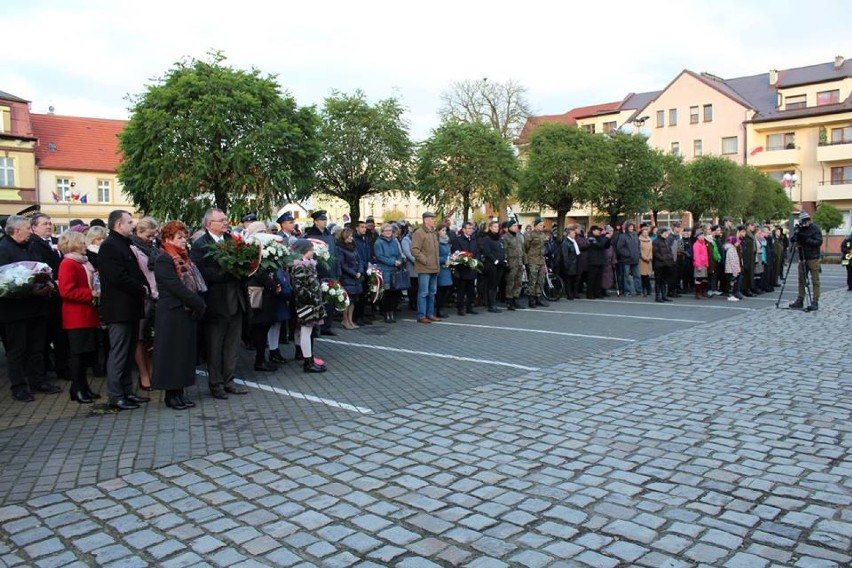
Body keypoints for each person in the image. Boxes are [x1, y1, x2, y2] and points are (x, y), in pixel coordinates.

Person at [190, 208, 250, 399]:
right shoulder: (200, 245)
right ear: (209, 224)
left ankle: (229, 380)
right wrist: (227, 271)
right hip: (216, 304)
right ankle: (215, 384)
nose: (226, 222)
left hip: (236, 301)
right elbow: (201, 274)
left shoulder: (232, 240)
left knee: (232, 346)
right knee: (215, 347)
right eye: (221, 220)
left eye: (225, 219)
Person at [0, 215, 60, 402]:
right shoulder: (3, 249)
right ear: (16, 230)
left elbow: (41, 268)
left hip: (37, 307)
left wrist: (47, 283)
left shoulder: (32, 246)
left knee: (36, 347)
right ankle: (19, 387)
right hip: (15, 311)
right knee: (17, 350)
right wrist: (30, 289)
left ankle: (38, 381)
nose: (30, 231)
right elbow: (4, 282)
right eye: (27, 228)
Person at [98, 210, 151, 410]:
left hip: (130, 307)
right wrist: (142, 289)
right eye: (129, 222)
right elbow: (117, 277)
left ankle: (127, 391)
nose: (133, 225)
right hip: (118, 309)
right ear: (119, 225)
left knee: (128, 352)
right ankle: (116, 395)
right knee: (119, 352)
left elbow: (135, 272)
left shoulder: (124, 244)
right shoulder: (110, 246)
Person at [151, 221, 207, 410]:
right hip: (172, 312)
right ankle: (171, 395)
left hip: (185, 311)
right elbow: (174, 286)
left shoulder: (184, 257)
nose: (184, 241)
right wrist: (197, 302)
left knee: (183, 354)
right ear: (168, 239)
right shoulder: (164, 259)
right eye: (179, 237)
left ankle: (180, 392)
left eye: (185, 237)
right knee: (171, 355)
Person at [57, 230, 101, 404]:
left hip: (86, 313)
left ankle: (81, 387)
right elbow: (67, 291)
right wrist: (91, 293)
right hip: (76, 315)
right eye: (82, 242)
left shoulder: (83, 262)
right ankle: (78, 388)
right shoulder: (68, 264)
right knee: (78, 355)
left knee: (84, 354)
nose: (85, 245)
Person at [29, 213, 70, 383]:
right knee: (43, 338)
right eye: (45, 224)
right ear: (34, 227)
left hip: (57, 297)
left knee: (60, 334)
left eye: (50, 223)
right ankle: (44, 371)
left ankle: (62, 368)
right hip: (44, 297)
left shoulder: (54, 242)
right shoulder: (33, 244)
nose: (48, 226)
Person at [244, 222, 283, 371]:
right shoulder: (253, 249)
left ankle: (261, 359)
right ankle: (259, 361)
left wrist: (276, 283)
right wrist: (274, 285)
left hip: (266, 293)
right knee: (260, 328)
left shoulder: (263, 248)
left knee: (264, 327)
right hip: (259, 293)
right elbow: (259, 271)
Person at [130, 217, 160, 391]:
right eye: (149, 235)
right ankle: (143, 374)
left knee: (152, 337)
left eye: (154, 235)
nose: (151, 239)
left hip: (157, 296)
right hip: (143, 297)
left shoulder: (153, 249)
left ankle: (152, 370)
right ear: (139, 232)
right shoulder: (133, 249)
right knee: (139, 337)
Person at [290, 239, 327, 372]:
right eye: (311, 250)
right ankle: (307, 362)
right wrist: (313, 298)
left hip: (312, 304)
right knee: (305, 332)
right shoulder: (299, 266)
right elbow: (299, 288)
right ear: (304, 251)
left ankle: (309, 359)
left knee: (308, 331)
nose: (313, 252)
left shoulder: (309, 265)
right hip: (306, 305)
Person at [303, 210, 340, 336]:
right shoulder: (309, 236)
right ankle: (315, 328)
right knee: (317, 300)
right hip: (317, 273)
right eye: (322, 220)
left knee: (330, 300)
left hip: (330, 273)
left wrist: (337, 271)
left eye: (325, 220)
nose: (324, 222)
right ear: (315, 221)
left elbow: (335, 254)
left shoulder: (329, 236)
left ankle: (326, 326)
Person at [788, 211, 823, 311]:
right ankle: (800, 299)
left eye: (807, 221)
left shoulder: (815, 228)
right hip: (802, 257)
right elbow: (793, 240)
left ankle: (815, 301)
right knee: (801, 279)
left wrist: (807, 240)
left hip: (813, 257)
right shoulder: (799, 229)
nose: (805, 223)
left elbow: (818, 242)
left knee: (815, 280)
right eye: (803, 221)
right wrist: (796, 236)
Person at [411, 211, 440, 323]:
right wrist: (425, 260)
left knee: (432, 292)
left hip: (434, 268)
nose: (434, 221)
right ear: (426, 220)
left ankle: (430, 313)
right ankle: (421, 315)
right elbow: (414, 250)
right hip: (424, 268)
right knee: (423, 292)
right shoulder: (419, 233)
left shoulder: (433, 233)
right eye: (432, 219)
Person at [374, 223, 404, 323]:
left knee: (394, 293)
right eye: (386, 231)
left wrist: (399, 261)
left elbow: (399, 254)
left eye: (390, 231)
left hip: (394, 271)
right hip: (385, 270)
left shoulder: (394, 242)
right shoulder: (379, 242)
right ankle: (386, 313)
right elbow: (380, 256)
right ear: (382, 232)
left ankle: (392, 312)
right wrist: (393, 262)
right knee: (387, 293)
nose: (388, 232)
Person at [337, 227, 364, 329]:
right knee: (347, 301)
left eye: (351, 236)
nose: (351, 238)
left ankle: (350, 320)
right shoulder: (340, 248)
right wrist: (353, 273)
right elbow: (343, 264)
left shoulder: (353, 247)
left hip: (356, 277)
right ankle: (345, 320)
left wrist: (360, 271)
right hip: (347, 277)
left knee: (353, 300)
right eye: (349, 236)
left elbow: (359, 260)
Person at [478, 219, 506, 313]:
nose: (496, 228)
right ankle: (491, 305)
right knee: (492, 285)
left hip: (500, 265)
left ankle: (493, 303)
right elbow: (487, 252)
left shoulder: (499, 238)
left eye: (497, 227)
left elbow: (502, 249)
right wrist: (495, 260)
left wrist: (503, 259)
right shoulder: (487, 238)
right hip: (491, 265)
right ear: (490, 228)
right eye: (494, 227)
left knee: (496, 284)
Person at [453, 221, 480, 315]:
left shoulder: (473, 239)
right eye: (468, 228)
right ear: (463, 229)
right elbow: (457, 252)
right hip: (462, 268)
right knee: (461, 289)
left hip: (472, 268)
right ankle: (460, 308)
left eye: (471, 228)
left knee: (471, 289)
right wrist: (465, 260)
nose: (470, 230)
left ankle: (470, 307)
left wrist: (475, 261)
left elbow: (477, 252)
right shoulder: (458, 239)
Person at [524, 217, 548, 308]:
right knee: (532, 281)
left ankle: (538, 298)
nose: (542, 227)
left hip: (541, 260)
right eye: (540, 225)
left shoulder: (542, 235)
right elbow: (526, 247)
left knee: (540, 280)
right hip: (533, 260)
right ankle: (531, 300)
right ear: (535, 225)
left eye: (543, 225)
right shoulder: (530, 235)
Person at [502, 220, 525, 310]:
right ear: (510, 227)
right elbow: (504, 251)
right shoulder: (505, 237)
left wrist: (524, 263)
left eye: (517, 226)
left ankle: (516, 299)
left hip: (519, 262)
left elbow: (522, 250)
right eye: (514, 226)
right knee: (510, 283)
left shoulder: (519, 237)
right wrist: (506, 263)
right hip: (511, 263)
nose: (516, 227)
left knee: (518, 282)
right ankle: (509, 301)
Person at [584, 225, 610, 299]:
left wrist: (608, 239)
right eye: (597, 230)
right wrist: (606, 238)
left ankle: (597, 293)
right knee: (592, 279)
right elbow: (600, 245)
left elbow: (606, 246)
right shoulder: (591, 238)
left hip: (600, 261)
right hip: (593, 261)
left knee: (599, 279)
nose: (599, 231)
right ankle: (590, 294)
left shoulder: (600, 238)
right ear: (593, 231)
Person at [615, 222, 641, 297]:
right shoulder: (623, 236)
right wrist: (628, 254)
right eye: (630, 227)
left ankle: (639, 291)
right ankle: (627, 291)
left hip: (635, 259)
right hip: (626, 260)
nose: (631, 228)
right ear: (627, 228)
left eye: (632, 227)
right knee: (626, 277)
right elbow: (620, 248)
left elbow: (638, 246)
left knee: (637, 276)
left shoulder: (635, 235)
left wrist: (638, 253)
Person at [557, 224, 581, 300]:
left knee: (575, 280)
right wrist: (566, 266)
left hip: (575, 264)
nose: (575, 234)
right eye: (573, 233)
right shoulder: (565, 243)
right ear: (569, 234)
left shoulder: (573, 241)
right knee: (568, 281)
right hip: (570, 265)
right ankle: (569, 294)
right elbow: (565, 256)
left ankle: (575, 293)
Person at [652, 226, 675, 303]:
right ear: (660, 233)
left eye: (666, 233)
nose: (666, 234)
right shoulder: (655, 241)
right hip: (659, 264)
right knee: (658, 280)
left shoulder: (667, 241)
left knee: (664, 281)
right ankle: (657, 296)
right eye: (664, 233)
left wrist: (671, 259)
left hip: (667, 264)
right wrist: (662, 258)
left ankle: (664, 296)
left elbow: (669, 251)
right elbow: (655, 253)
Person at [436, 225, 454, 318]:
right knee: (441, 290)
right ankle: (439, 309)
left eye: (445, 230)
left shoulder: (446, 242)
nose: (444, 232)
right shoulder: (437, 243)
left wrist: (452, 257)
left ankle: (441, 307)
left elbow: (448, 253)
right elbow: (435, 256)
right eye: (442, 230)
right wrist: (444, 259)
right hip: (440, 268)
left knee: (447, 288)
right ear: (438, 231)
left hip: (447, 268)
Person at [723, 235, 743, 301]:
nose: (739, 243)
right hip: (731, 270)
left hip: (733, 269)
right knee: (731, 283)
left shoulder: (733, 248)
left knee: (733, 282)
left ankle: (732, 295)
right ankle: (730, 295)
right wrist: (735, 271)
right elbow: (732, 261)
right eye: (737, 242)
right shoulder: (731, 250)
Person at [638, 225, 653, 297]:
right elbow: (640, 250)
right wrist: (645, 258)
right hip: (642, 260)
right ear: (641, 233)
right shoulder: (639, 240)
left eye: (647, 232)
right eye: (644, 232)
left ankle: (649, 289)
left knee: (647, 276)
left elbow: (651, 249)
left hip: (649, 260)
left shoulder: (650, 240)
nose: (646, 234)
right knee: (643, 276)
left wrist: (649, 257)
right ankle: (643, 289)